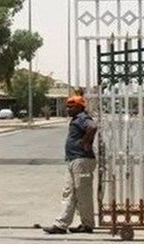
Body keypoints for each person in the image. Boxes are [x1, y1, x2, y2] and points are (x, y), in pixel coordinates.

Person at [42, 96, 97, 235]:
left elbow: (92, 127)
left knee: (83, 193)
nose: (68, 109)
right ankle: (61, 225)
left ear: (79, 107)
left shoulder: (82, 117)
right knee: (69, 192)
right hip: (73, 160)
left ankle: (87, 224)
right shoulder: (76, 119)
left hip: (82, 161)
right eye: (67, 106)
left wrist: (85, 143)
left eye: (71, 107)